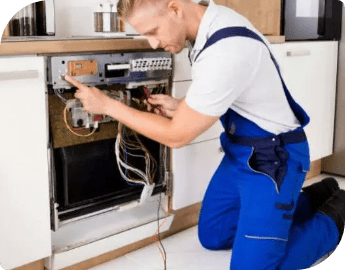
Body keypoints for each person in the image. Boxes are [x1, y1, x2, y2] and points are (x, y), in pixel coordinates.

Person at [64, 0, 345, 269]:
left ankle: (337, 213)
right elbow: (229, 93)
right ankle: (316, 195)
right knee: (214, 235)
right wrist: (182, 107)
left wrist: (107, 106)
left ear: (174, 8)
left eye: (152, 31)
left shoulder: (227, 48)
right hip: (241, 153)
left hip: (273, 160)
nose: (153, 43)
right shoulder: (207, 24)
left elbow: (177, 136)